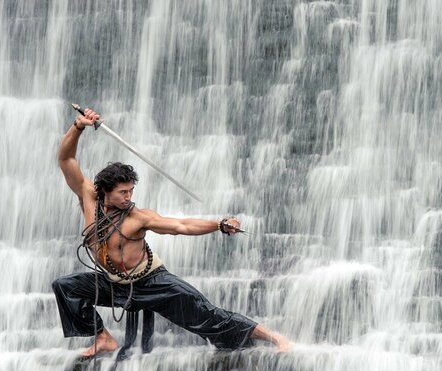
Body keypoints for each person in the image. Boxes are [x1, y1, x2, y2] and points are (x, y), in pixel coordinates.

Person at [52, 107, 291, 357]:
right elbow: (66, 159)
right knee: (66, 287)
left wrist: (218, 224)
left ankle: (274, 337)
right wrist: (79, 127)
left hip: (152, 282)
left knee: (207, 314)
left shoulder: (138, 217)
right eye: (123, 192)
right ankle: (103, 338)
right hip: (114, 284)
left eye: (131, 190)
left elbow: (181, 226)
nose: (129, 197)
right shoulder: (89, 197)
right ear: (105, 191)